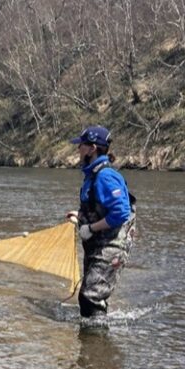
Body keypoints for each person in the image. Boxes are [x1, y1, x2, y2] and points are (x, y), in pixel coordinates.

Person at [66, 126, 136, 318]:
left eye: (81, 145)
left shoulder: (105, 176)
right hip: (98, 246)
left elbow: (121, 212)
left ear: (92, 148)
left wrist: (90, 228)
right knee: (88, 297)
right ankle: (92, 344)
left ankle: (96, 342)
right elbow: (98, 207)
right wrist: (79, 217)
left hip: (112, 246)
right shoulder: (93, 175)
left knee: (90, 297)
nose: (78, 149)